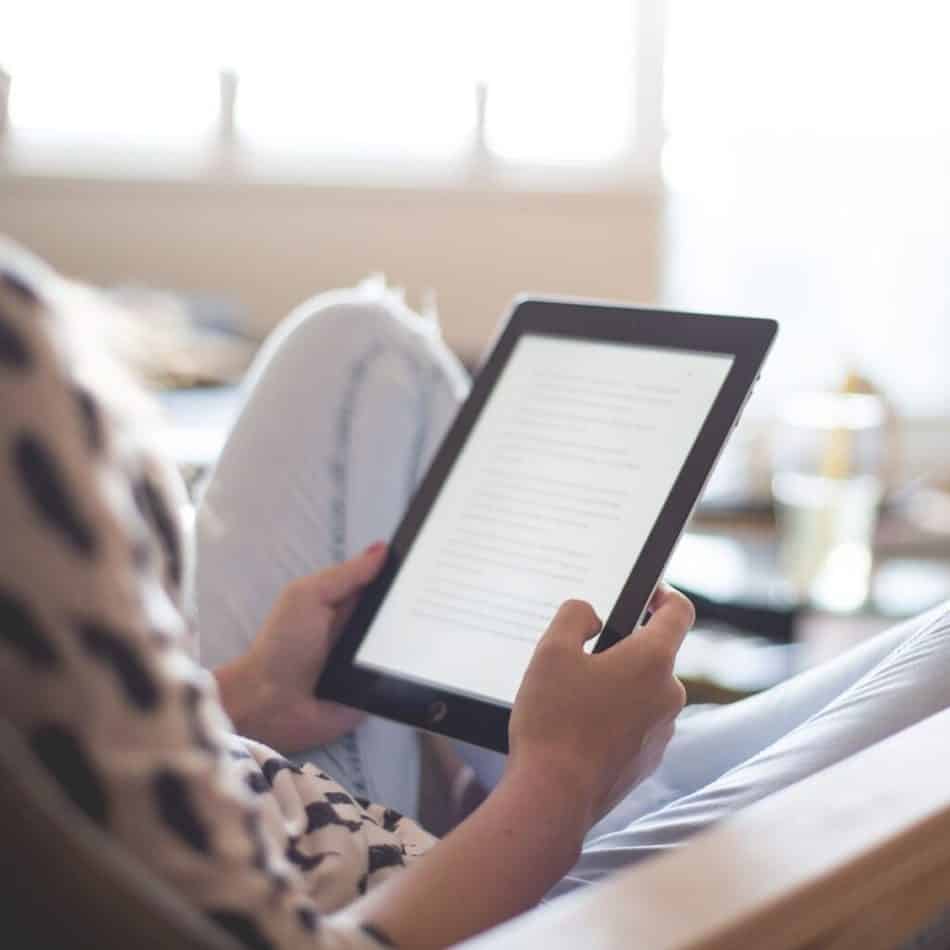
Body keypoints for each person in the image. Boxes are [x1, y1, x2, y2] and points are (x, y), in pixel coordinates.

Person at [1, 239, 948, 950]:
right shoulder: (22, 361)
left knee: (358, 342)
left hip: (272, 774)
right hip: (435, 901)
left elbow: (55, 758)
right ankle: (609, 785)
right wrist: (556, 785)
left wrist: (250, 693)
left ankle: (607, 769)